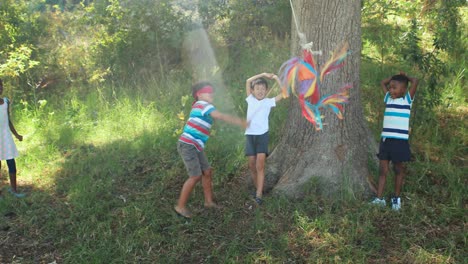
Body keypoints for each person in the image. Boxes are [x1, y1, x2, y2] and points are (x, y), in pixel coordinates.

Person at [175, 81, 247, 218]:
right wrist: (241, 122)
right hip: (188, 145)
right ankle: (180, 206)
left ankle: (208, 202)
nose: (211, 93)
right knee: (195, 176)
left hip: (196, 145)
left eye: (212, 91)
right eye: (208, 91)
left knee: (207, 172)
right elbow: (219, 116)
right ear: (199, 94)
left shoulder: (202, 107)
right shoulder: (202, 104)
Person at [371, 72, 419, 210]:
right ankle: (379, 199)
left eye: (395, 88)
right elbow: (382, 82)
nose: (391, 90)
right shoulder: (388, 99)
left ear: (404, 90)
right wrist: (394, 77)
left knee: (398, 169)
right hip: (386, 141)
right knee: (383, 170)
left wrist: (406, 77)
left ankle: (396, 199)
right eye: (390, 87)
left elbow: (415, 80)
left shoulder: (407, 101)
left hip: (399, 142)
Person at [245, 73, 285, 205]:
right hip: (250, 135)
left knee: (259, 165)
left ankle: (259, 194)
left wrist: (276, 78)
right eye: (257, 88)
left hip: (262, 135)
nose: (260, 91)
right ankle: (258, 187)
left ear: (266, 91)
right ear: (252, 90)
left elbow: (285, 93)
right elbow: (248, 80)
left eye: (263, 89)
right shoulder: (250, 99)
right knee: (251, 164)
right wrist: (262, 74)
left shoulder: (268, 102)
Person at [0, 79, 25, 198]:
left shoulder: (6, 102)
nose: (0, 88)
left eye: (1, 85)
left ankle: (14, 190)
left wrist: (16, 134)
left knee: (11, 162)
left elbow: (8, 120)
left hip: (6, 136)